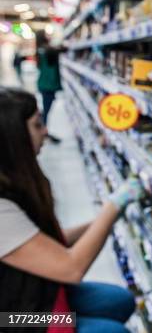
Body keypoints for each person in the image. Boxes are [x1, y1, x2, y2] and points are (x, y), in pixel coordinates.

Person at [0, 88, 143, 332]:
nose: (46, 132)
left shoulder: (14, 179)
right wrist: (114, 205)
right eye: (37, 125)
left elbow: (42, 245)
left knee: (119, 300)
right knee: (113, 331)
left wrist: (101, 221)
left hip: (35, 297)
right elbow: (71, 268)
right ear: (13, 135)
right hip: (13, 319)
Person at [35, 30, 62, 143]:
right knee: (46, 110)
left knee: (46, 109)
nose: (49, 36)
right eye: (47, 34)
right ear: (43, 36)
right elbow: (61, 49)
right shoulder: (48, 50)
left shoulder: (40, 50)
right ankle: (43, 130)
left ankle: (43, 129)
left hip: (44, 84)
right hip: (48, 85)